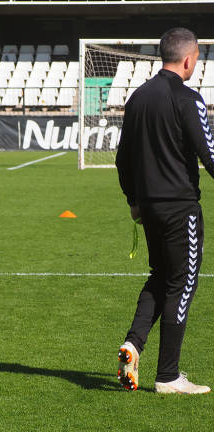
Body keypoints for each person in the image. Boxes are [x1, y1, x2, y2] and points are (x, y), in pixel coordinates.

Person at [115, 27, 212, 394]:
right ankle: (168, 376)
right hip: (181, 209)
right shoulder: (188, 99)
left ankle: (133, 343)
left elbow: (122, 159)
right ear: (188, 60)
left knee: (161, 277)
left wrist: (133, 201)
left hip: (149, 209)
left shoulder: (137, 97)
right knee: (182, 284)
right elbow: (209, 154)